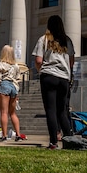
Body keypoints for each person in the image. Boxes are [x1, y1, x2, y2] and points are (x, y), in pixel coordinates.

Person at [32, 15, 75, 150]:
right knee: (62, 110)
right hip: (64, 78)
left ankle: (53, 142)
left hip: (49, 76)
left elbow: (38, 60)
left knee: (50, 110)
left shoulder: (44, 39)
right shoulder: (67, 40)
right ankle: (69, 140)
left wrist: (41, 71)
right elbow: (72, 61)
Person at [0, 44, 26, 142]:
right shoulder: (16, 66)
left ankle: (4, 135)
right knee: (13, 113)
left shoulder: (1, 64)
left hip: (4, 85)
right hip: (14, 87)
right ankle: (18, 135)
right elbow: (17, 78)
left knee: (4, 112)